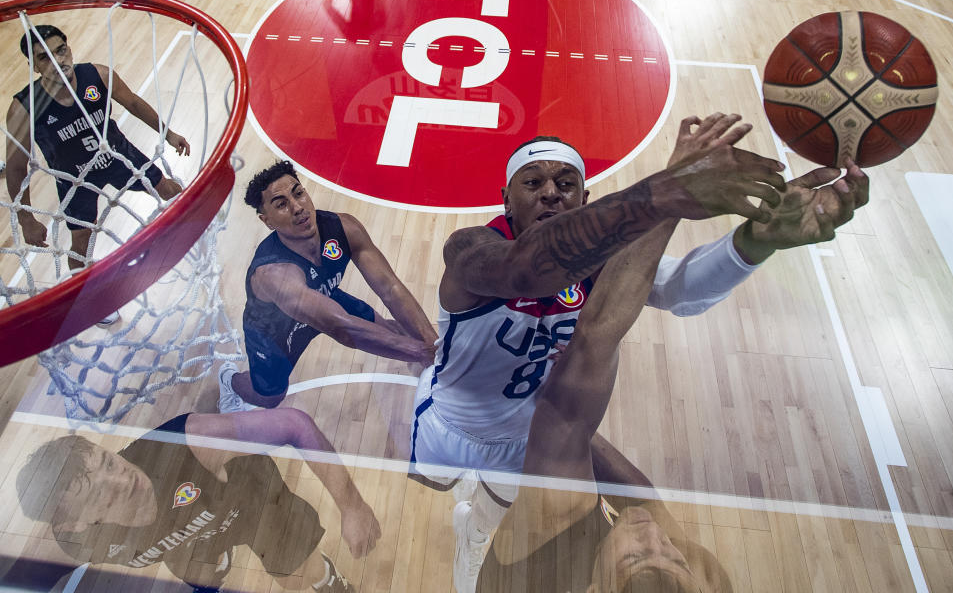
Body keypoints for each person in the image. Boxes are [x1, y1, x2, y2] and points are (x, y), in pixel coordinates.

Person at [408, 113, 870, 592]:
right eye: (534, 181)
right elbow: (527, 272)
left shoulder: (608, 262)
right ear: (506, 200)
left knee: (502, 509)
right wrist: (665, 195)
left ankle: (475, 536)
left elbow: (677, 289)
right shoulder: (472, 247)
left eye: (566, 183)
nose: (550, 191)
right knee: (498, 498)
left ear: (585, 200)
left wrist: (753, 243)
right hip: (456, 424)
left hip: (532, 430)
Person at [478, 213, 729, 592]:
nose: (656, 538)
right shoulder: (693, 581)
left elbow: (596, 340)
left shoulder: (551, 540)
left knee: (506, 481)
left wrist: (674, 194)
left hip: (527, 553)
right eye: (674, 556)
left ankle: (473, 533)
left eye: (635, 556)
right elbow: (643, 501)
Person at [9, 407, 382, 592]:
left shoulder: (192, 443)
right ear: (74, 523)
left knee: (298, 574)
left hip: (252, 500)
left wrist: (353, 507)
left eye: (108, 460)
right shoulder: (73, 542)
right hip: (185, 539)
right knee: (197, 571)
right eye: (100, 491)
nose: (122, 477)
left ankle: (329, 580)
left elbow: (295, 424)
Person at [218, 160, 438, 411]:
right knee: (271, 397)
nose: (298, 207)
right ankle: (230, 380)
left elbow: (390, 288)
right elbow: (341, 327)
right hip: (275, 333)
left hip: (324, 298)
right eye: (282, 204)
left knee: (394, 332)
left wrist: (434, 345)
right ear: (266, 220)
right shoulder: (273, 274)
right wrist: (423, 353)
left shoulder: (343, 227)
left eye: (298, 193)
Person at [5, 25, 188, 324]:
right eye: (45, 57)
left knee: (168, 188)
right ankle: (87, 298)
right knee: (81, 241)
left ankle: (194, 230)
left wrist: (169, 134)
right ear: (34, 66)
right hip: (75, 178)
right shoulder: (24, 108)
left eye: (60, 50)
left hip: (117, 156)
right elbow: (15, 167)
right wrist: (26, 218)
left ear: (69, 47)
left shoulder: (98, 75)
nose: (57, 61)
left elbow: (133, 103)